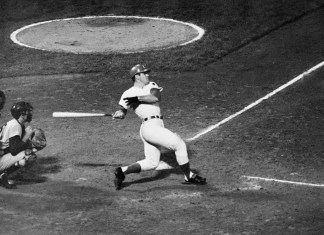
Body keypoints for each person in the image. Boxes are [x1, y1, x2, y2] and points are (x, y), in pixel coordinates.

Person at [112, 64, 206, 190]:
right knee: (180, 145)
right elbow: (122, 110)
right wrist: (120, 113)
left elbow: (156, 97)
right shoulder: (127, 93)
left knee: (152, 162)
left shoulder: (151, 85)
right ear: (137, 76)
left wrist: (137, 99)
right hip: (150, 127)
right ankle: (188, 176)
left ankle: (122, 171)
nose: (147, 75)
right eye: (144, 73)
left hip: (154, 127)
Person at [0, 101, 37, 189]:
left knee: (27, 150)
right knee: (29, 156)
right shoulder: (15, 126)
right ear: (22, 115)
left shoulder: (15, 123)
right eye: (27, 112)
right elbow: (14, 150)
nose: (29, 114)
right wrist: (27, 136)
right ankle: (2, 176)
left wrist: (30, 138)